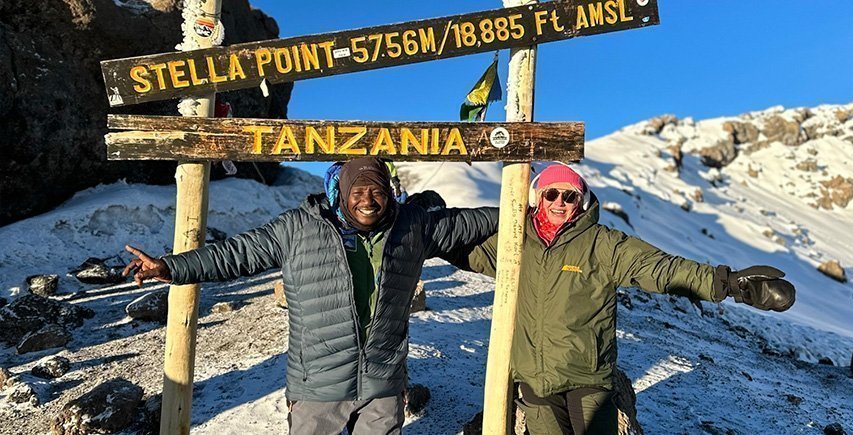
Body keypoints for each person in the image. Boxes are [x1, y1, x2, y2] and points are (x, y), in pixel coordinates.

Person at [123, 157, 498, 434]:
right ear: (342, 193)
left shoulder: (412, 226)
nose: (368, 200)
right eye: (358, 192)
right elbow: (236, 254)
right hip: (318, 386)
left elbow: (471, 222)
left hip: (383, 384)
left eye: (377, 191)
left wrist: (525, 211)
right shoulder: (298, 228)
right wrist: (171, 267)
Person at [462, 163, 796, 434]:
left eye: (569, 195)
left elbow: (660, 268)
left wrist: (729, 284)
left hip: (586, 380)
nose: (559, 202)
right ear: (538, 197)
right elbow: (462, 247)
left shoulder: (601, 244)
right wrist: (431, 233)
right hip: (536, 386)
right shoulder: (514, 243)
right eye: (551, 193)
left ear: (581, 202)